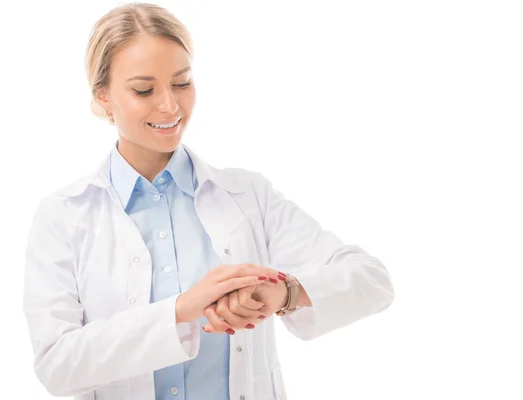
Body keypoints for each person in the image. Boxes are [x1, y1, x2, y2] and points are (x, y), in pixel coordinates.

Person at [22, 3, 395, 400]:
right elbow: (56, 365)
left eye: (181, 83)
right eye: (143, 90)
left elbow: (373, 281)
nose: (169, 105)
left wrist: (285, 293)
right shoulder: (63, 216)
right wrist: (181, 309)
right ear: (104, 98)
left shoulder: (248, 196)